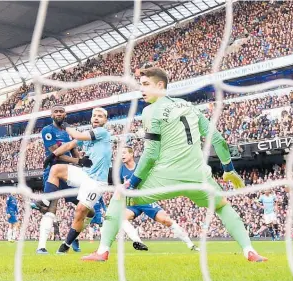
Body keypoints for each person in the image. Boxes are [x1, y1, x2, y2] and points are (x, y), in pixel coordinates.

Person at [82, 66, 267, 262]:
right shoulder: (190, 106)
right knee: (222, 206)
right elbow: (218, 140)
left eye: (146, 84)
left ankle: (102, 252)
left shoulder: (150, 111)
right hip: (198, 176)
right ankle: (249, 251)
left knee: (119, 194)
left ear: (160, 85)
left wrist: (134, 183)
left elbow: (151, 154)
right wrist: (229, 170)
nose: (142, 89)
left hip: (166, 176)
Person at [43, 107, 112, 254]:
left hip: (97, 181)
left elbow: (77, 136)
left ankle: (66, 245)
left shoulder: (102, 132)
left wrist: (66, 126)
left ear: (105, 120)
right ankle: (45, 201)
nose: (97, 118)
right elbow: (69, 145)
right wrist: (52, 156)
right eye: (94, 115)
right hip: (85, 174)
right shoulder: (88, 134)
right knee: (55, 169)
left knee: (80, 211)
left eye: (100, 116)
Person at [35, 105, 92, 254]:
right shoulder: (47, 130)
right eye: (56, 112)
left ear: (65, 114)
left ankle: (71, 239)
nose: (59, 114)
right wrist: (78, 162)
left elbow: (74, 149)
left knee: (87, 210)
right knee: (51, 209)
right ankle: (41, 247)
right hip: (53, 172)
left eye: (61, 111)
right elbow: (56, 153)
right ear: (51, 114)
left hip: (69, 174)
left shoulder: (69, 131)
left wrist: (81, 160)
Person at [119, 146, 199, 251]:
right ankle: (138, 241)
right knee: (121, 217)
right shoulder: (120, 170)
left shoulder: (141, 167)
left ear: (131, 154)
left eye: (124, 153)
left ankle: (190, 244)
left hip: (145, 199)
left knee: (166, 220)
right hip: (133, 203)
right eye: (121, 154)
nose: (122, 155)